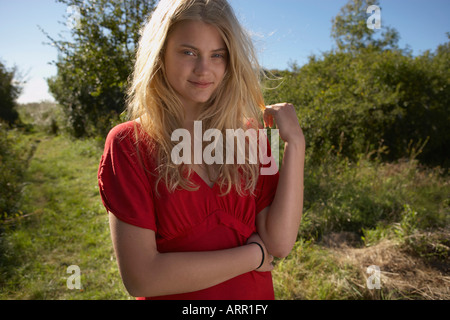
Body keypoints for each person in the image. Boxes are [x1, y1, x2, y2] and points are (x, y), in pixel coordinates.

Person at [97, 0, 305, 300]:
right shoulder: (129, 144)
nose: (203, 69)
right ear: (160, 53)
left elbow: (281, 242)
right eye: (188, 52)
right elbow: (143, 278)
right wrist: (254, 257)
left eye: (217, 55)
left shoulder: (249, 136)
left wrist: (295, 144)